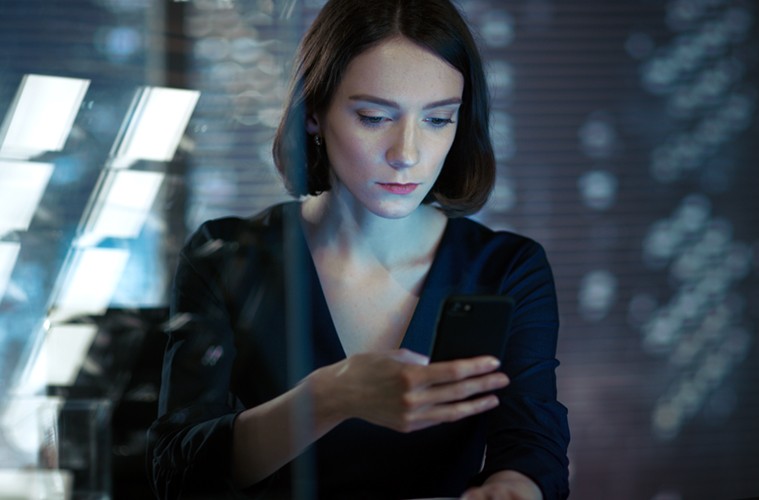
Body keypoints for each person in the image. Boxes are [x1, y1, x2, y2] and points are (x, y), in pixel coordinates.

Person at [147, 0, 570, 498]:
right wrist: (332, 396)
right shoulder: (227, 257)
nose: (406, 153)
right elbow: (177, 473)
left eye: (438, 120)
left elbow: (532, 441)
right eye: (373, 117)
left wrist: (513, 486)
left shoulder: (505, 268)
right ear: (313, 115)